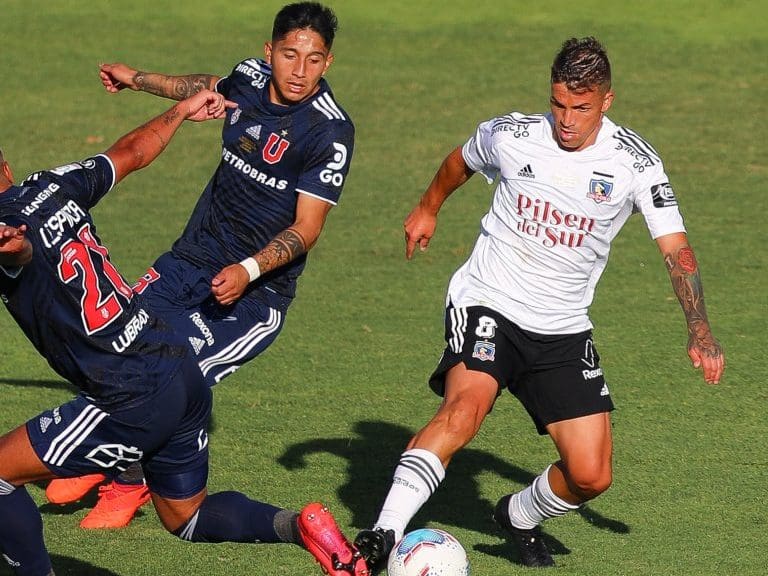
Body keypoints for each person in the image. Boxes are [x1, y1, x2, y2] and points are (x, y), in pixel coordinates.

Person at [353, 37, 725, 570]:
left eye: (581, 107)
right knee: (465, 408)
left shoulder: (635, 164)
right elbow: (460, 160)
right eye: (558, 104)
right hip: (489, 301)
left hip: (562, 325)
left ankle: (518, 516)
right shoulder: (512, 135)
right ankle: (384, 532)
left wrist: (699, 329)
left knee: (591, 474)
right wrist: (427, 207)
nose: (567, 120)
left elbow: (677, 251)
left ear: (607, 101)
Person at [0, 92, 366, 576]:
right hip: (178, 368)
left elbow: (19, 253)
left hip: (129, 396)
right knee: (186, 518)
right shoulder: (53, 185)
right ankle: (298, 526)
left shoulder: (6, 233)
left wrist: (16, 250)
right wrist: (179, 113)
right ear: (6, 165)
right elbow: (129, 153)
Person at [45, 1, 356, 529]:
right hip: (191, 256)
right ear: (269, 52)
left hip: (254, 298)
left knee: (173, 373)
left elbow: (307, 229)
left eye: (314, 59)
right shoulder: (250, 77)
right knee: (116, 342)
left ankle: (130, 480)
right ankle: (104, 461)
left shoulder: (329, 132)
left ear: (328, 62)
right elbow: (204, 86)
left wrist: (249, 271)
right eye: (289, 54)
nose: (300, 70)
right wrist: (136, 79)